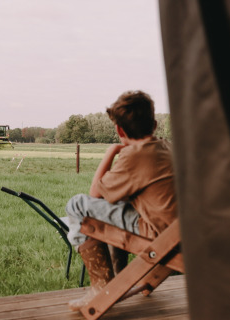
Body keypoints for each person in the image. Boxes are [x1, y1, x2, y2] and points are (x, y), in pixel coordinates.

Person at [65, 90, 177, 311]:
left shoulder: (135, 154)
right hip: (181, 231)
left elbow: (94, 193)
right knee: (118, 205)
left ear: (119, 129)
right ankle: (117, 278)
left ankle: (100, 286)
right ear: (154, 125)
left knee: (77, 204)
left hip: (160, 234)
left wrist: (112, 152)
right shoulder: (167, 147)